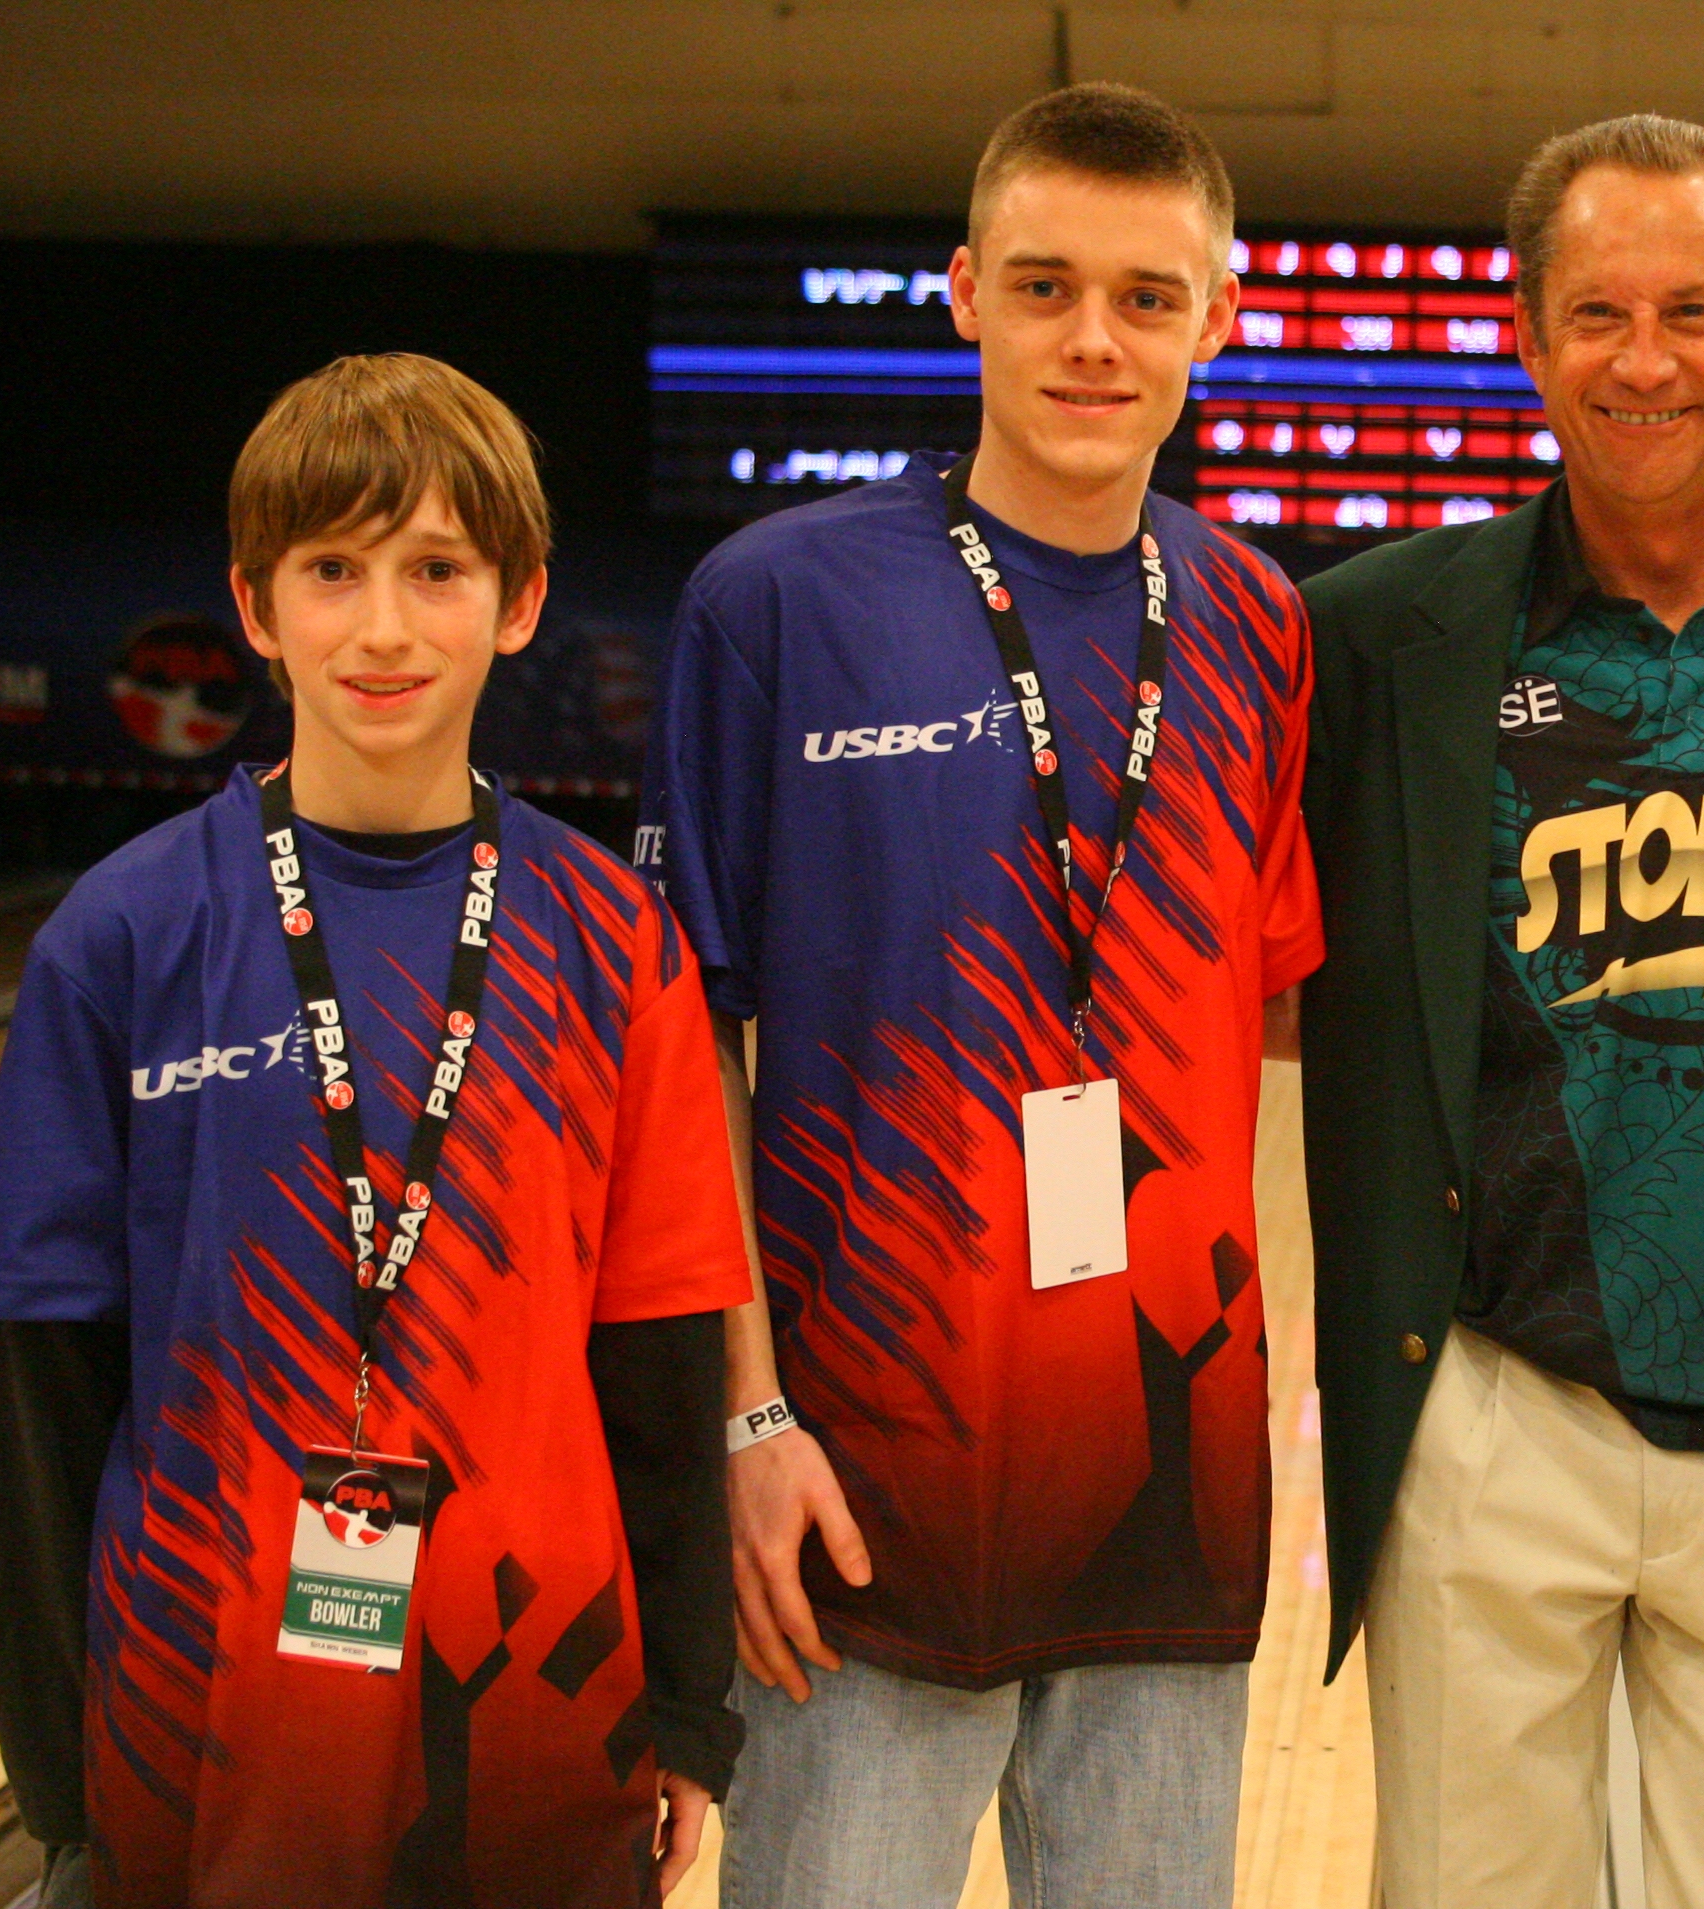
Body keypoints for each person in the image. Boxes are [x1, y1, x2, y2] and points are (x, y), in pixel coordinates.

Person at [636, 82, 1320, 1908]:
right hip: (858, 1494)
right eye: (1042, 285)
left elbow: (1248, 1015)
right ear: (961, 294)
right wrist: (742, 1418)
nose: (1094, 339)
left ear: (1221, 316)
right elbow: (679, 1038)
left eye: (1147, 296)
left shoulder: (1258, 617)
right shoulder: (776, 603)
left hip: (1172, 1507)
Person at [0, 352, 751, 1909]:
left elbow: (661, 1356)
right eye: (334, 571)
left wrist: (689, 1712)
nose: (384, 627)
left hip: (545, 1714)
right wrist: (59, 1773)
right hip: (193, 1725)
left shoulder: (613, 942)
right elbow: (41, 1394)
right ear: (256, 606)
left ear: (517, 601)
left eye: (435, 570)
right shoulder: (121, 936)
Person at [1297, 114, 1704, 1908]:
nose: (1645, 360)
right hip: (1498, 1402)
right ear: (1527, 336)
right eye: (1596, 313)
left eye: (1690, 311)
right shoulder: (1369, 637)